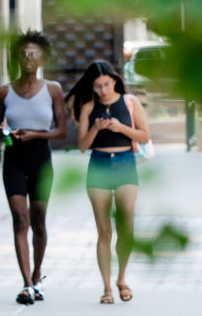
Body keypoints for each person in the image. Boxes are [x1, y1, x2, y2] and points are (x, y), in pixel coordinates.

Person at [0, 31, 68, 305]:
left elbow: (61, 131)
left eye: (34, 53)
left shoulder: (53, 89)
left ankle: (38, 275)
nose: (28, 58)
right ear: (17, 57)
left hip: (41, 159)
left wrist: (36, 135)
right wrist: (5, 133)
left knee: (38, 221)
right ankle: (26, 284)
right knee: (19, 219)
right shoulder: (3, 90)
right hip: (14, 158)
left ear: (43, 57)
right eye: (24, 53)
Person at [70, 60, 149, 305]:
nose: (103, 90)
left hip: (126, 163)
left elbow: (145, 135)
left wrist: (121, 127)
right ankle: (106, 287)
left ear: (114, 80)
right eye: (97, 86)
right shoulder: (87, 107)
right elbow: (82, 146)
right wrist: (95, 128)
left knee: (126, 226)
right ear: (91, 87)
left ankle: (122, 279)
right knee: (104, 231)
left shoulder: (129, 102)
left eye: (106, 84)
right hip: (99, 164)